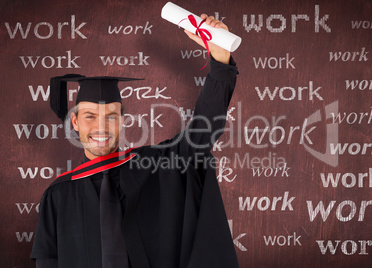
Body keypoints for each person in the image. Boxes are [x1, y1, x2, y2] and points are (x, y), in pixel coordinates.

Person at [31, 14, 239, 268]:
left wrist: (220, 60)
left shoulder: (157, 167)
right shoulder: (57, 196)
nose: (101, 126)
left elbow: (202, 133)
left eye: (111, 116)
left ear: (122, 120)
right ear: (75, 122)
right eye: (89, 116)